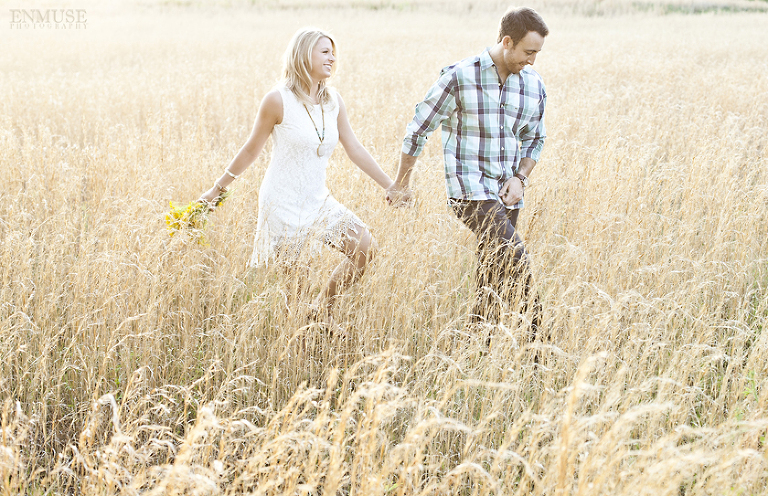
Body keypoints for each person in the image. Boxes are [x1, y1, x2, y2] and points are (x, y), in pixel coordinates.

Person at [199, 27, 395, 323]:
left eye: (333, 52)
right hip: (283, 202)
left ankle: (324, 308)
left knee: (365, 248)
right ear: (304, 55)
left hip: (318, 200)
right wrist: (217, 189)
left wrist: (390, 185)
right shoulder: (277, 100)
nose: (332, 58)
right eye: (325, 51)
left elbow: (354, 148)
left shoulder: (333, 101)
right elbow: (251, 150)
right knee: (296, 291)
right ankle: (300, 341)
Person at [387, 7, 548, 337]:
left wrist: (520, 178)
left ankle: (476, 349)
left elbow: (536, 139)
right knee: (516, 257)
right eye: (529, 52)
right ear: (507, 41)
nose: (532, 60)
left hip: (507, 194)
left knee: (493, 274)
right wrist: (401, 182)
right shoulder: (460, 76)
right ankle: (540, 345)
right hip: (469, 191)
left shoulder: (533, 84)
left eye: (537, 53)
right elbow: (418, 129)